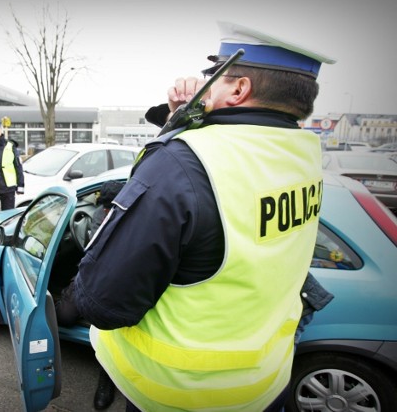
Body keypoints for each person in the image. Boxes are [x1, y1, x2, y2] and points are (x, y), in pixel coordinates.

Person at [68, 21, 336, 411]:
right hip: (263, 383)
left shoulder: (182, 162)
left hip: (174, 393)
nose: (203, 84)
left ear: (240, 88)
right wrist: (180, 119)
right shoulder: (303, 156)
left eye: (215, 75)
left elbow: (103, 304)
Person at [55, 180, 124, 410]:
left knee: (109, 326)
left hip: (119, 283)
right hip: (91, 275)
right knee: (63, 316)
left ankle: (107, 377)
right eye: (104, 207)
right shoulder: (97, 216)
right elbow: (92, 251)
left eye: (109, 208)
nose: (105, 211)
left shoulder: (134, 221)